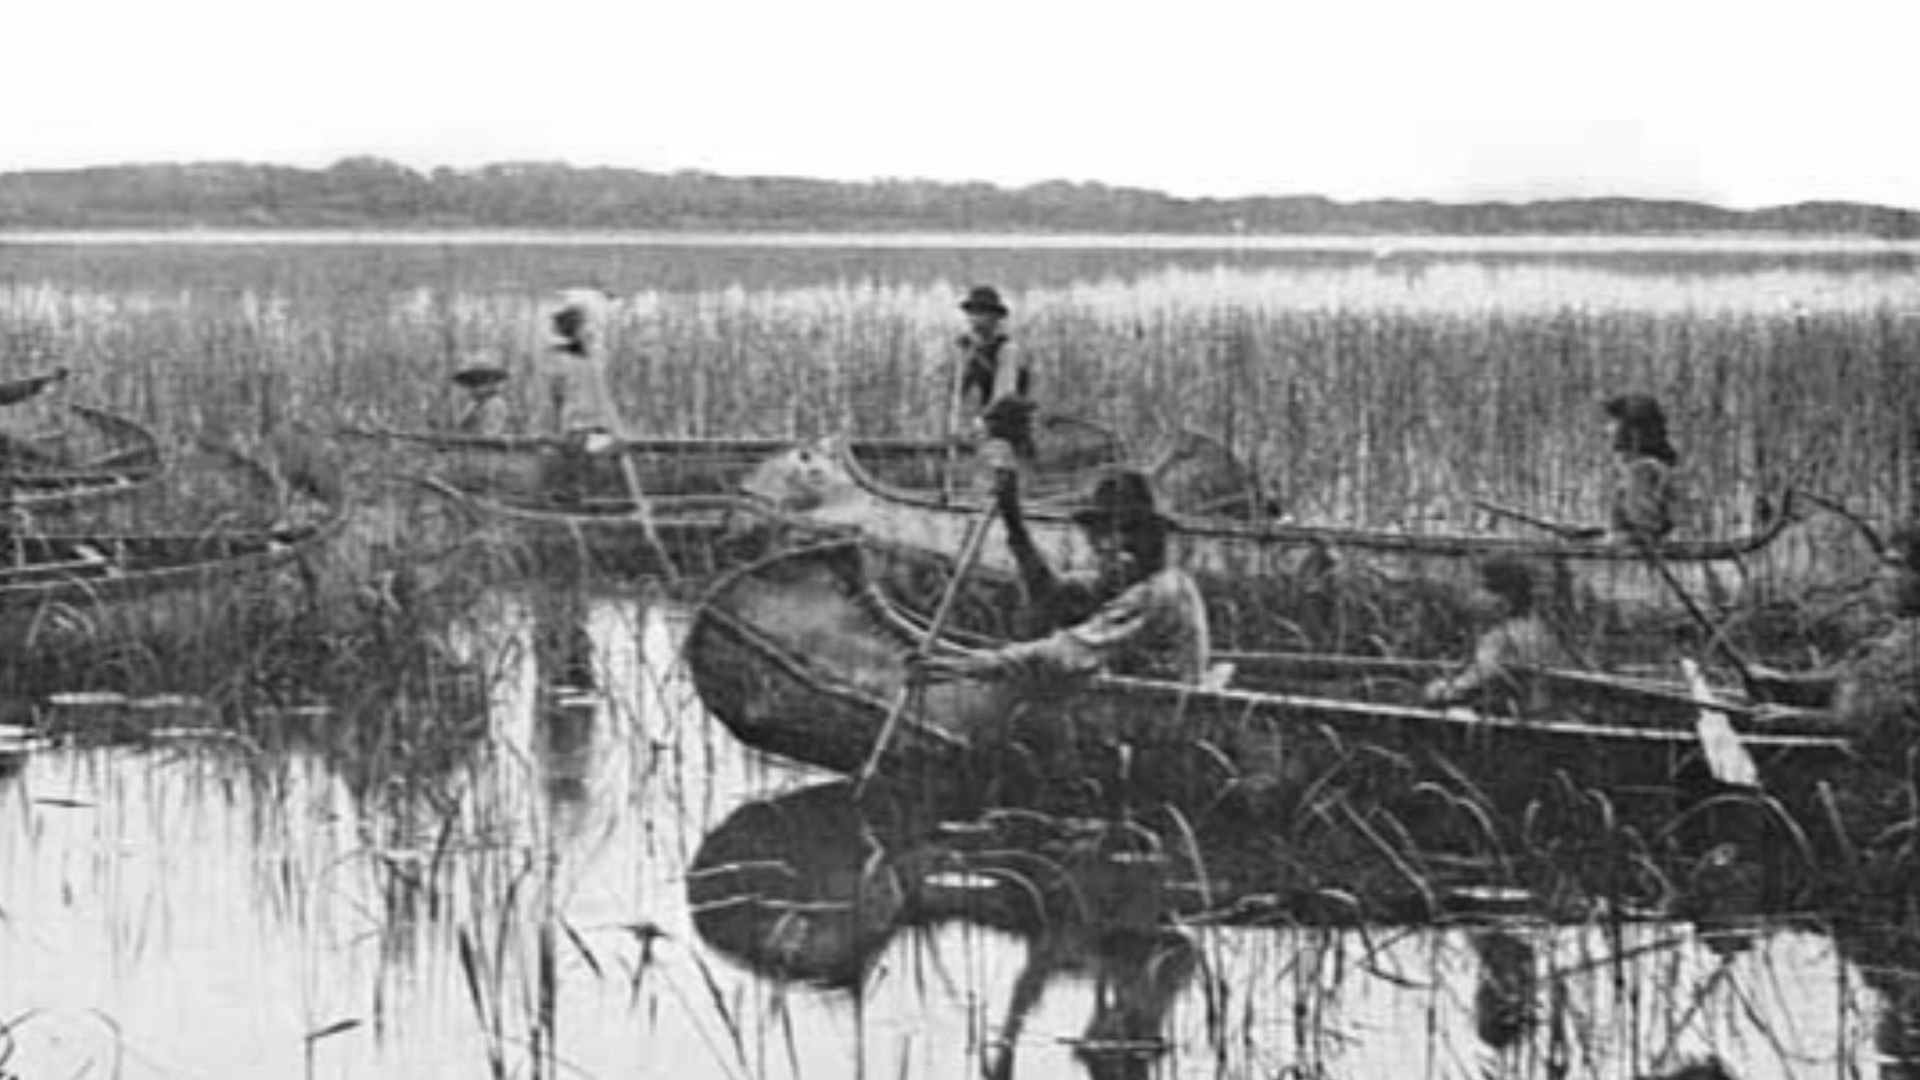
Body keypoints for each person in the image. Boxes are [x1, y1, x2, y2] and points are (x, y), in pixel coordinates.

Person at [921, 463, 1210, 685]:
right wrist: (1014, 522)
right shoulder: (1126, 580)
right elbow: (1051, 593)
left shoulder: (1160, 592)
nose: (1107, 545)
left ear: (1153, 537)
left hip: (1152, 727)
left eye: (1129, 530)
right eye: (1101, 532)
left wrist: (979, 665)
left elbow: (1071, 652)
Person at [1748, 523, 1920, 753]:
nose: (1881, 574)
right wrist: (1784, 681)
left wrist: (1796, 717)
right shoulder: (1903, 631)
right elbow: (1851, 683)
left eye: (1896, 565)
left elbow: (1868, 723)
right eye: (1886, 564)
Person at [1423, 555, 1574, 712]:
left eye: (1483, 589)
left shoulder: (1499, 637)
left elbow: (1482, 673)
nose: (1475, 597)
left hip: (1512, 712)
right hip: (1543, 709)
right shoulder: (1539, 629)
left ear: (1505, 599)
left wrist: (1448, 687)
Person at [953, 286, 1036, 459]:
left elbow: (1004, 393)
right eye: (972, 313)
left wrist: (981, 421)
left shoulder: (1007, 348)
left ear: (994, 317)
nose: (974, 319)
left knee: (1008, 463)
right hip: (988, 414)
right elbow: (957, 389)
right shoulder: (969, 347)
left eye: (981, 313)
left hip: (1012, 417)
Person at [1604, 393, 1683, 544]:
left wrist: (1620, 536)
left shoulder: (1641, 468)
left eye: (1614, 423)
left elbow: (1644, 518)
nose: (1608, 428)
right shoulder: (1652, 465)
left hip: (1644, 543)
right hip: (1647, 537)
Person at [450, 355, 511, 436]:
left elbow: (489, 433)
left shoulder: (495, 403)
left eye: (479, 383)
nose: (473, 388)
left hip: (485, 446)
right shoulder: (474, 404)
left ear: (490, 383)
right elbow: (461, 428)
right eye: (472, 383)